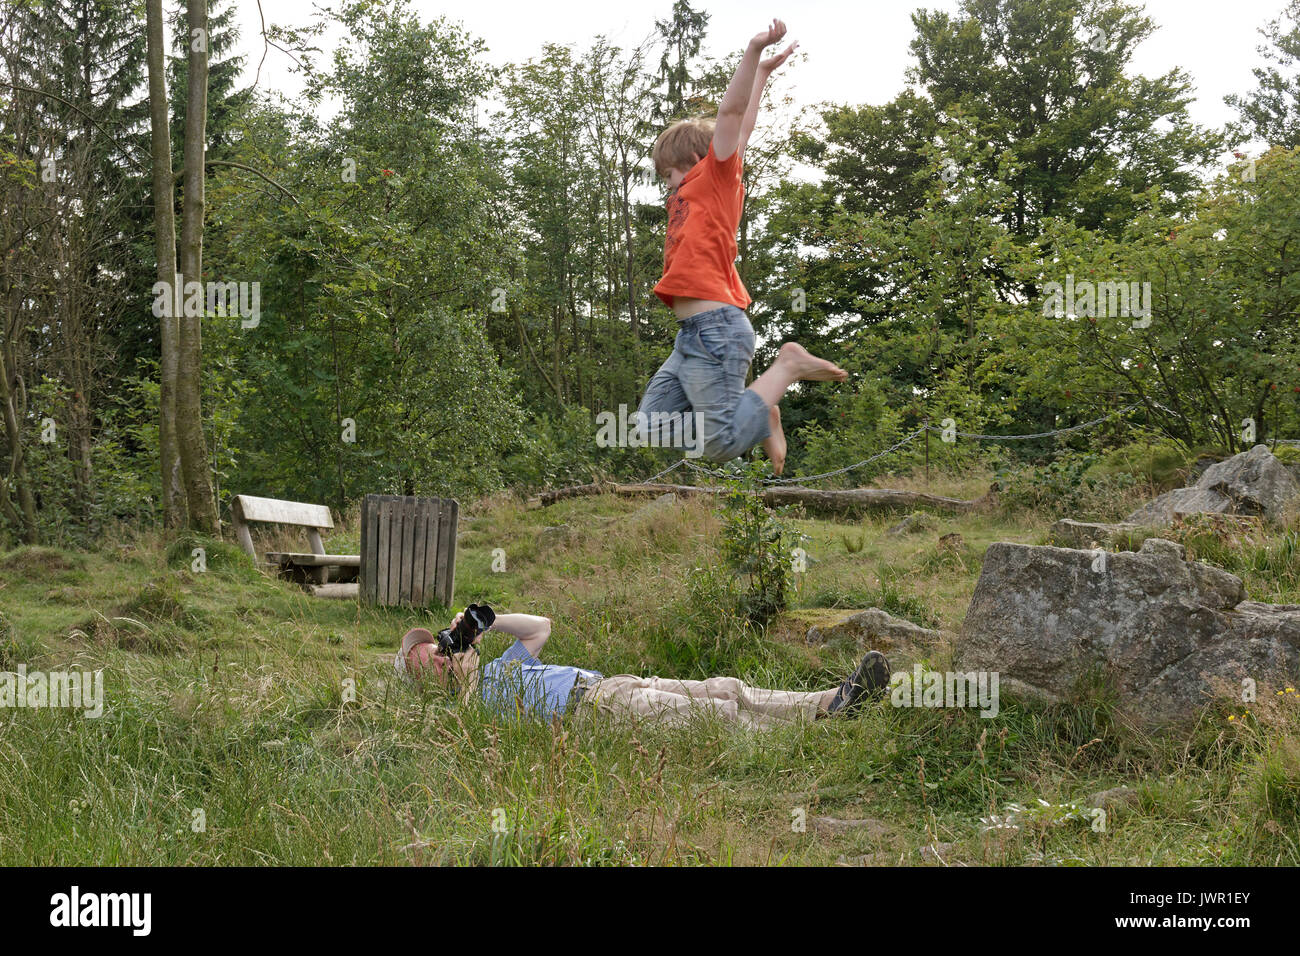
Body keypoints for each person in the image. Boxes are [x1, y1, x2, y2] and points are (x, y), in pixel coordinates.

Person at [640, 18, 847, 476]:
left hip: (717, 331)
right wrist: (763, 77)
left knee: (720, 445)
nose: (667, 186)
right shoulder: (690, 193)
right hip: (691, 339)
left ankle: (786, 369)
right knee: (650, 425)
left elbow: (732, 121)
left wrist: (753, 51)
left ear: (694, 161)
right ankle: (759, 409)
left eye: (669, 175)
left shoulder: (713, 177)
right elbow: (744, 125)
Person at [394, 610, 891, 731]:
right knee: (713, 716)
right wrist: (464, 674)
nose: (442, 656)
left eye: (439, 647)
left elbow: (540, 628)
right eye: (433, 663)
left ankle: (832, 702)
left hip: (611, 684)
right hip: (595, 709)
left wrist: (488, 624)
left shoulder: (500, 667)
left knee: (726, 688)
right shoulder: (470, 711)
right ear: (426, 685)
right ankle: (810, 734)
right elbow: (467, 713)